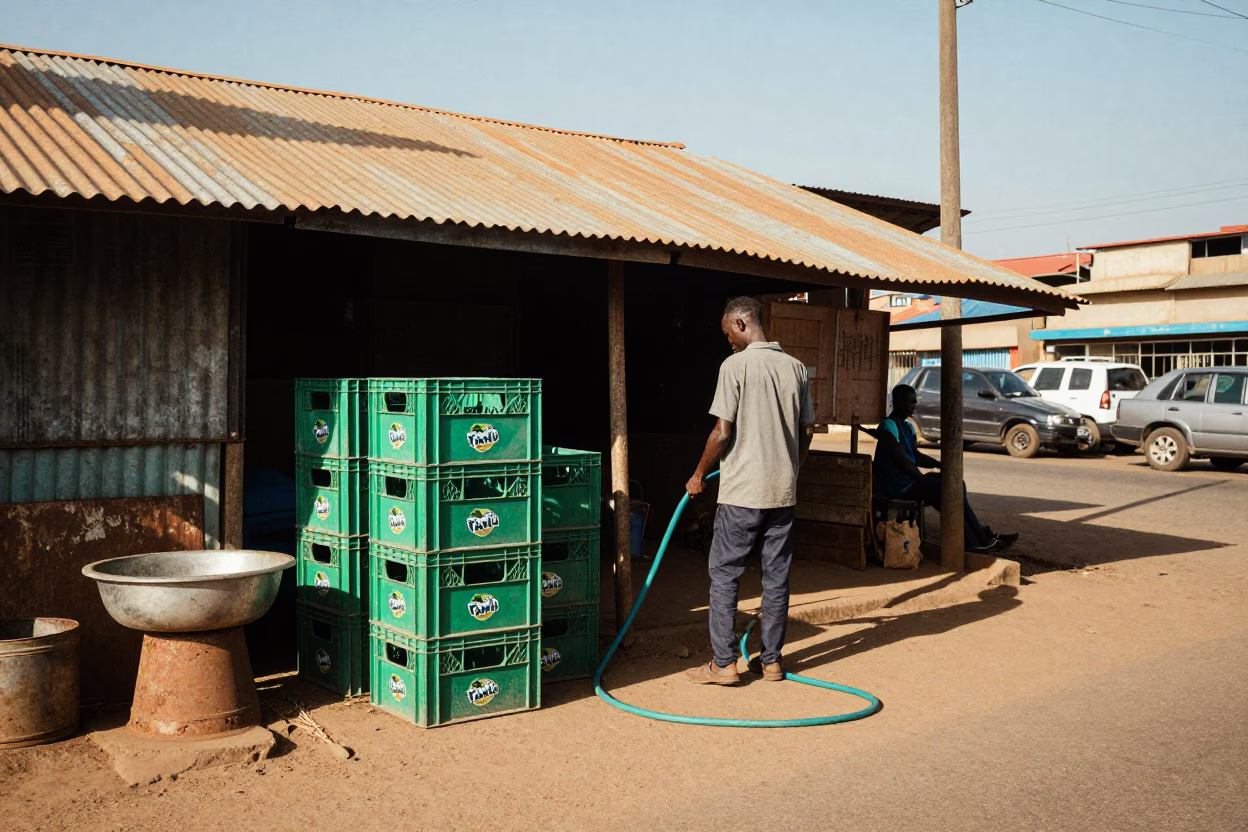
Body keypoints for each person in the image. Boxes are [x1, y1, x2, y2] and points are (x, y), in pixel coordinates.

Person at [684, 296, 816, 686]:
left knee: (725, 574)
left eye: (728, 334)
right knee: (776, 578)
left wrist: (697, 475)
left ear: (741, 323)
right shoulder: (795, 368)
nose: (728, 342)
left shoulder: (736, 366)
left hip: (742, 493)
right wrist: (792, 469)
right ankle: (771, 661)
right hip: (782, 493)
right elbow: (808, 430)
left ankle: (724, 663)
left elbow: (722, 431)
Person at [863, 384, 1018, 555]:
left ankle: (982, 538)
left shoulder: (908, 427)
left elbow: (916, 456)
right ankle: (976, 540)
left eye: (915, 402)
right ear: (898, 402)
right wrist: (923, 479)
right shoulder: (888, 426)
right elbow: (904, 462)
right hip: (896, 486)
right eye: (910, 402)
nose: (913, 405)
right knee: (942, 489)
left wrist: (939, 465)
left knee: (956, 485)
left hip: (910, 481)